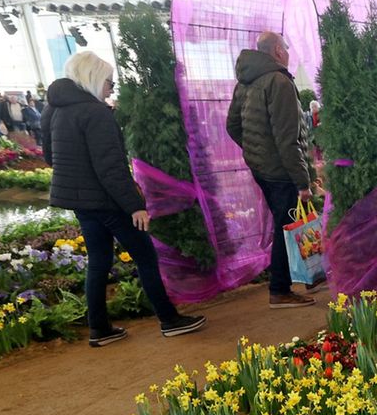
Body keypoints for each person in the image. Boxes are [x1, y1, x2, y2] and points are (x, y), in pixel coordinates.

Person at [44, 52, 205, 347]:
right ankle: (169, 320)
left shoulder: (53, 110)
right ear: (93, 79)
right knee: (145, 256)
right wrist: (135, 206)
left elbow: (50, 156)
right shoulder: (97, 113)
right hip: (108, 200)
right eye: (109, 82)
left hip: (81, 203)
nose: (112, 88)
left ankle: (99, 328)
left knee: (99, 262)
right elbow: (111, 168)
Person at [227, 31, 319, 308]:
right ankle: (280, 289)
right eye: (287, 48)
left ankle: (294, 280)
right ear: (278, 50)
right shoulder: (279, 81)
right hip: (281, 171)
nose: (289, 53)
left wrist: (256, 151)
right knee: (286, 226)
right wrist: (303, 183)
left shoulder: (246, 80)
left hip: (262, 168)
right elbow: (288, 139)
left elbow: (232, 126)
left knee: (284, 223)